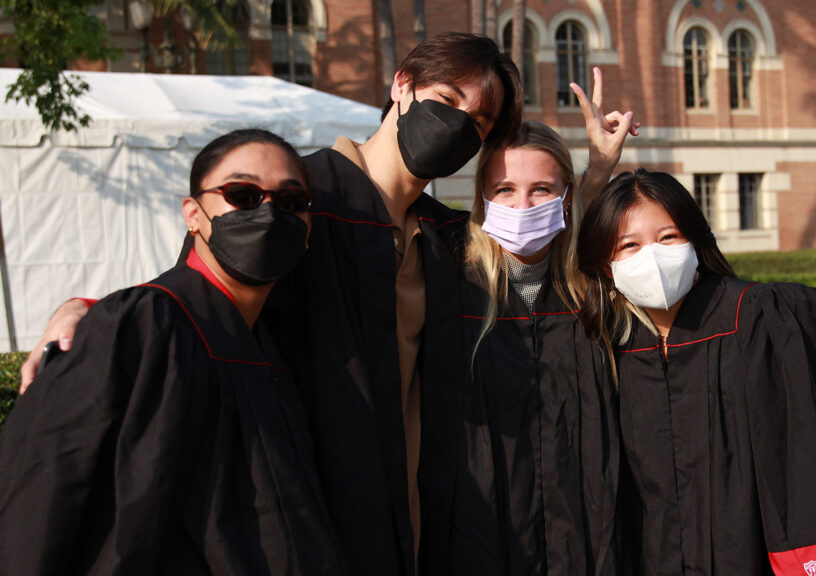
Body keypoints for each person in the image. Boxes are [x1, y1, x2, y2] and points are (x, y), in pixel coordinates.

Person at [23, 32, 523, 576]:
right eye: (448, 101)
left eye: (478, 123)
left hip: (420, 512)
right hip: (308, 495)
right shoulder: (295, 197)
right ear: (401, 85)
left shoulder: (449, 237)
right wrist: (88, 308)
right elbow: (203, 297)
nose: (458, 125)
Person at [0, 129, 346, 574]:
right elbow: (44, 491)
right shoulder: (144, 326)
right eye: (241, 194)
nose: (267, 211)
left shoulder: (276, 342)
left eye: (290, 202)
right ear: (193, 214)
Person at [575, 169, 816, 575]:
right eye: (629, 245)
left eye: (668, 237)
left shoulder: (764, 317)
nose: (652, 256)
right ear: (606, 267)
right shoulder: (608, 349)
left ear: (695, 240)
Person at [453, 72, 636, 575]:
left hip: (585, 536)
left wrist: (600, 168)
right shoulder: (450, 288)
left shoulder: (595, 290)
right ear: (482, 198)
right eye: (504, 189)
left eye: (541, 189)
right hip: (483, 534)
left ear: (565, 196)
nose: (522, 206)